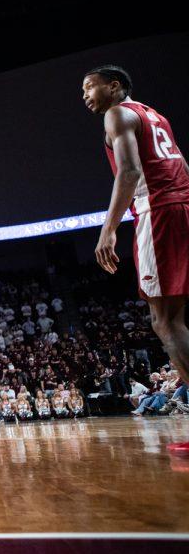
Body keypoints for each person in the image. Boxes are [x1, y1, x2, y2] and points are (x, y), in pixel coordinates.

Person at [83, 65, 189, 455]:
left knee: (165, 321)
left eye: (89, 87)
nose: (85, 96)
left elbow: (128, 172)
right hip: (182, 205)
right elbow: (182, 166)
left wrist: (108, 228)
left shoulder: (117, 114)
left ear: (114, 87)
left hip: (158, 210)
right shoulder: (155, 114)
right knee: (177, 317)